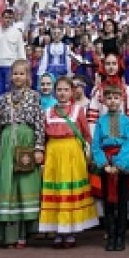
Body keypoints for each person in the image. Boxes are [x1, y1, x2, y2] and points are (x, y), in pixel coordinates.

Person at [0, 58, 45, 248]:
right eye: (15, 73)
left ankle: (23, 233)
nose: (18, 77)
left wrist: (39, 148)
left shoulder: (34, 97)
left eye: (22, 73)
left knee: (24, 186)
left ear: (28, 76)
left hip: (26, 142)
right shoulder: (3, 99)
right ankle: (9, 235)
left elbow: (39, 122)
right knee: (8, 186)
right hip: (7, 143)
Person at [38, 76, 97, 246]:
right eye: (59, 90)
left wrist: (90, 153)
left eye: (66, 90)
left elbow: (86, 134)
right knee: (56, 192)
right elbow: (43, 136)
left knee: (70, 191)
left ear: (71, 92)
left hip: (72, 154)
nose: (62, 93)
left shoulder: (78, 111)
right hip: (54, 154)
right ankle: (57, 230)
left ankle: (70, 230)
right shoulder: (48, 112)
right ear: (55, 92)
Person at [92, 83, 129, 251]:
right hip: (106, 164)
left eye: (116, 98)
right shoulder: (100, 122)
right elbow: (96, 145)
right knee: (108, 202)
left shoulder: (125, 121)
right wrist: (104, 164)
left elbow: (128, 143)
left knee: (122, 202)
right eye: (109, 98)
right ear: (103, 100)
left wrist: (119, 164)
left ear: (121, 99)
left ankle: (121, 236)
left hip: (122, 165)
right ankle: (110, 235)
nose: (112, 101)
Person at [0, 8, 27, 101]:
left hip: (11, 66)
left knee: (10, 90)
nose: (7, 20)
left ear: (12, 19)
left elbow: (21, 51)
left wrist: (23, 66)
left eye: (10, 18)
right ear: (1, 18)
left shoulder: (17, 33)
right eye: (5, 17)